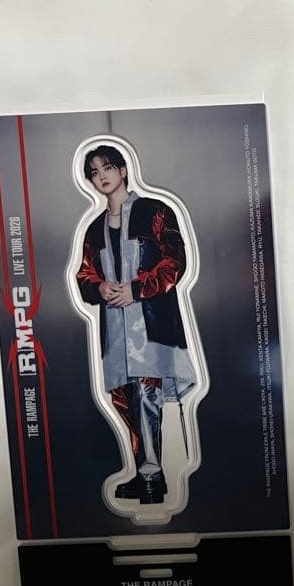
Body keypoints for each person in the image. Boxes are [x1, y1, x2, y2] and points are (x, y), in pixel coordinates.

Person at [74, 144, 197, 504]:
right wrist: (98, 287)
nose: (101, 176)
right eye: (94, 173)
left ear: (123, 170)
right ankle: (149, 474)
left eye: (107, 168)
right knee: (126, 398)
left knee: (147, 394)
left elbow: (175, 261)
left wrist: (138, 288)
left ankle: (153, 477)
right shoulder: (94, 230)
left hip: (151, 325)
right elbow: (84, 276)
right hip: (115, 330)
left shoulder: (155, 212)